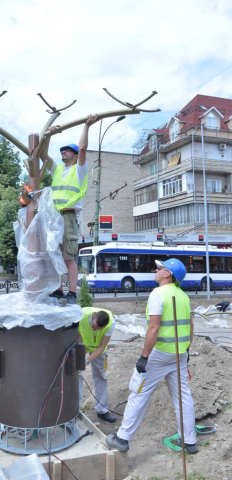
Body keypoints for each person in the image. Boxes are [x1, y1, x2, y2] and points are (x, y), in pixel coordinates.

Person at [107, 258, 198, 454]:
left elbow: (154, 327)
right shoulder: (183, 296)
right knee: (183, 397)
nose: (155, 269)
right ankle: (189, 441)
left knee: (138, 393)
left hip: (159, 354)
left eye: (160, 268)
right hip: (179, 354)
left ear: (168, 274)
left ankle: (122, 438)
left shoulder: (158, 294)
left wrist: (144, 356)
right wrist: (187, 350)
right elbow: (190, 326)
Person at [40, 114, 98, 305]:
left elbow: (82, 148)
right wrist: (48, 135)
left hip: (68, 217)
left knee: (68, 257)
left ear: (74, 155)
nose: (63, 152)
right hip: (54, 218)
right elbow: (42, 155)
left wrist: (87, 125)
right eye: (62, 150)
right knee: (54, 254)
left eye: (67, 151)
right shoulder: (57, 170)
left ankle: (71, 292)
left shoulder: (79, 170)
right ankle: (58, 289)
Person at [79, 307, 116, 423]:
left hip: (99, 349)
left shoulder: (111, 323)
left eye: (98, 329)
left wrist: (87, 361)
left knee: (101, 376)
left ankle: (102, 410)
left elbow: (101, 346)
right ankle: (75, 411)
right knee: (76, 375)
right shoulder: (81, 315)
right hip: (81, 345)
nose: (94, 329)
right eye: (93, 326)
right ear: (94, 315)